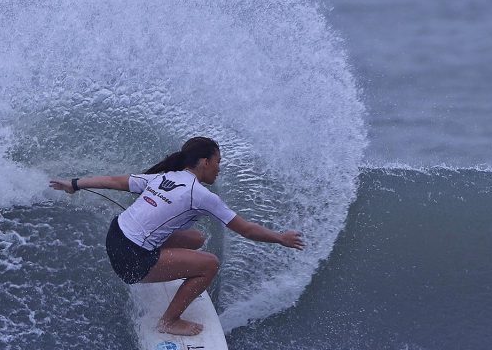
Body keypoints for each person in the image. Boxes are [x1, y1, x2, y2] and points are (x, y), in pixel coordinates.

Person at [49, 136, 304, 336]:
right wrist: (281, 238)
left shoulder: (165, 177)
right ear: (204, 162)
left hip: (115, 237)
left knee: (195, 239)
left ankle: (170, 266)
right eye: (217, 162)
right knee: (209, 264)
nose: (219, 168)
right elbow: (246, 229)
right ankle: (169, 321)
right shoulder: (201, 195)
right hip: (131, 261)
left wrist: (74, 183)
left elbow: (115, 180)